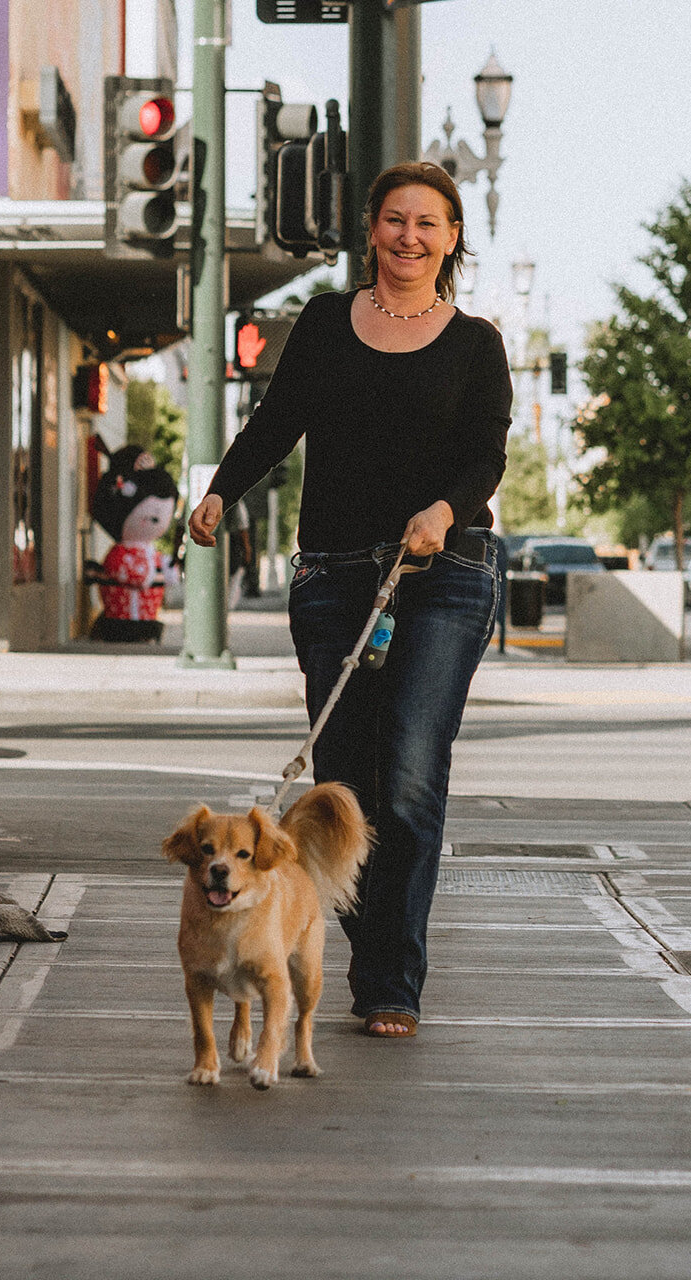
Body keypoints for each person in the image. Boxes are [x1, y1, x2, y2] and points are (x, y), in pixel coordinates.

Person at [188, 161, 512, 1037]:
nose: (410, 237)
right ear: (371, 229)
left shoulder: (476, 343)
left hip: (440, 572)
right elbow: (276, 418)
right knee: (342, 788)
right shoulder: (327, 322)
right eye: (395, 219)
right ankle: (373, 953)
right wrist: (224, 489)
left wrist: (445, 510)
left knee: (407, 775)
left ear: (451, 239)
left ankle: (389, 982)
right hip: (333, 575)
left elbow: (484, 455)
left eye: (429, 224)